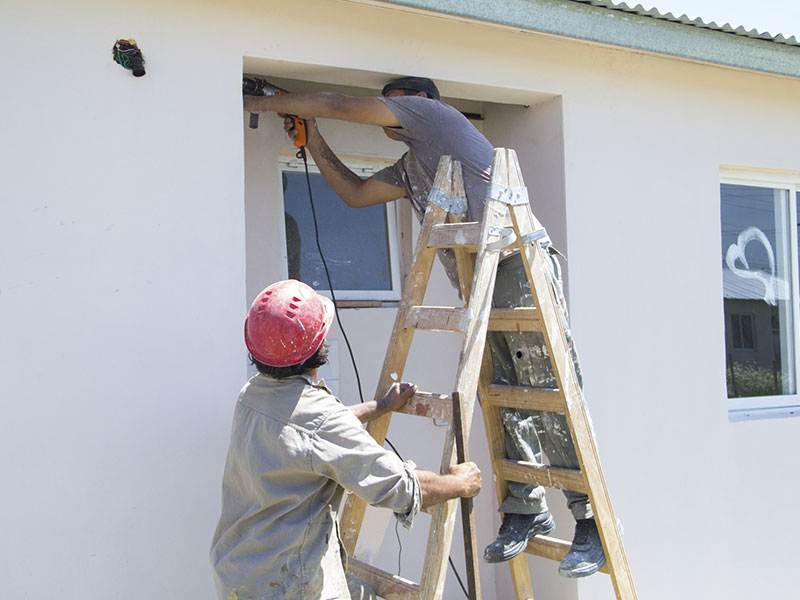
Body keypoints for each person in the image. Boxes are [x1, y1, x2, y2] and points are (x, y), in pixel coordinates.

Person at [243, 76, 606, 577]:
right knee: (502, 394)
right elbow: (355, 195)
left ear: (418, 102)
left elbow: (340, 102)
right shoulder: (413, 165)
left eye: (391, 101)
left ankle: (590, 521)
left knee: (547, 391)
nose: (384, 110)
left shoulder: (435, 116)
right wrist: (313, 136)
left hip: (516, 268)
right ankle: (526, 508)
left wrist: (261, 102)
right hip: (481, 285)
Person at [210, 279, 482, 600]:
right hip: (288, 587)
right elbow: (401, 488)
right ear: (319, 345)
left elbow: (310, 433)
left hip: (240, 575)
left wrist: (381, 406)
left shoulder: (252, 394)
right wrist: (461, 483)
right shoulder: (319, 419)